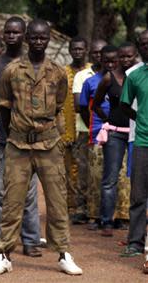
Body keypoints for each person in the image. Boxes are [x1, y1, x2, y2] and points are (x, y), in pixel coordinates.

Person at [0, 19, 83, 276]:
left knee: (57, 201)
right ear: (27, 38)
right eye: (35, 37)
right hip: (18, 145)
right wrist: (13, 135)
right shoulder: (12, 70)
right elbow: (4, 107)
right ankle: (4, 254)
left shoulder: (57, 71)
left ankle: (63, 253)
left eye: (43, 38)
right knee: (11, 202)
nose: (39, 42)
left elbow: (60, 104)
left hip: (49, 145)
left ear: (48, 39)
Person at [0, 16, 42, 258]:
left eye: (16, 32)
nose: (11, 36)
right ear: (3, 35)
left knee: (29, 193)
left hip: (27, 138)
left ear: (24, 35)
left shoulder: (34, 64)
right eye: (8, 32)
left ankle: (30, 241)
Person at [92, 43, 138, 237]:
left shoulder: (138, 76)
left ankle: (133, 220)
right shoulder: (109, 78)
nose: (126, 60)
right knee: (110, 178)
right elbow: (96, 104)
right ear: (118, 57)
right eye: (123, 57)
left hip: (137, 133)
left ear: (135, 56)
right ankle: (106, 220)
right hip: (116, 134)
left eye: (130, 57)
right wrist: (107, 119)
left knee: (138, 178)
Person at [120, 30, 148, 269]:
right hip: (142, 142)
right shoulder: (135, 76)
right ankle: (136, 242)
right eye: (143, 44)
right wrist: (140, 119)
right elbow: (124, 105)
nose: (146, 47)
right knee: (138, 195)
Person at [71, 39, 107, 224]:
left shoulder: (116, 75)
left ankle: (104, 210)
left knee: (105, 173)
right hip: (87, 130)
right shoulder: (83, 75)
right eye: (95, 52)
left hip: (109, 131)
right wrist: (93, 124)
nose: (99, 55)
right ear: (90, 54)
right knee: (84, 172)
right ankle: (82, 209)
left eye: (102, 52)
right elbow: (79, 106)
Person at [63, 36, 91, 220]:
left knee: (84, 169)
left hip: (86, 128)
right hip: (66, 127)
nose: (77, 52)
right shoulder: (63, 72)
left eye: (81, 49)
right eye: (74, 49)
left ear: (86, 50)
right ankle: (71, 207)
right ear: (69, 50)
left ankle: (86, 207)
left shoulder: (91, 72)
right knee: (66, 170)